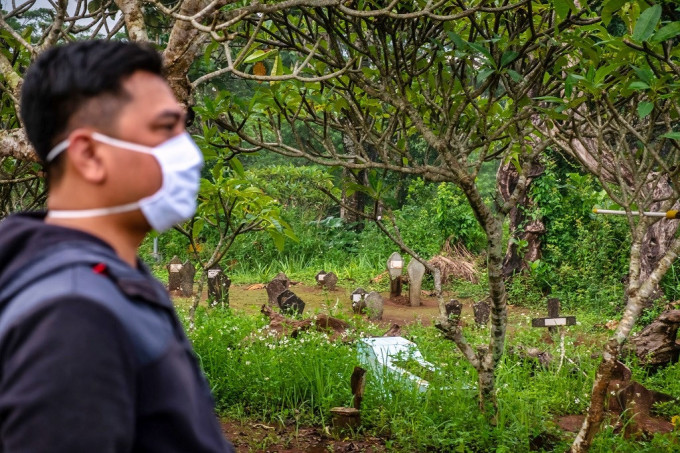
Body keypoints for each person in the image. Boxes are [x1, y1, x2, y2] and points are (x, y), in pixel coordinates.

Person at [0, 40, 234, 452]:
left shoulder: (97, 277)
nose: (189, 153)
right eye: (164, 129)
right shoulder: (73, 313)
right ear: (89, 155)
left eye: (185, 126)